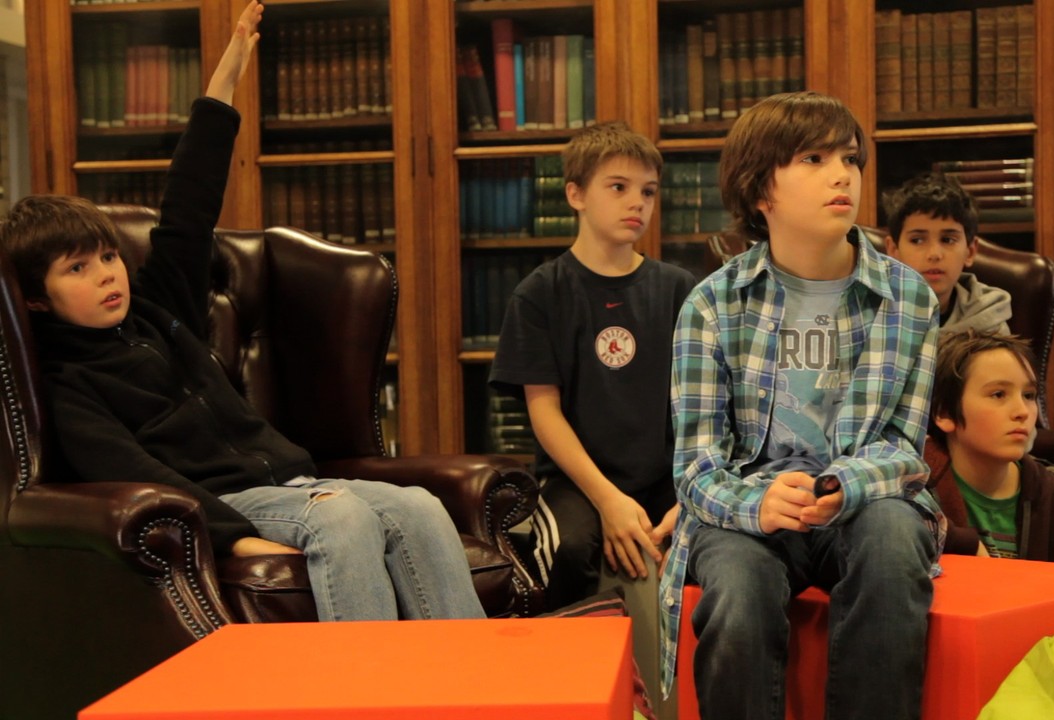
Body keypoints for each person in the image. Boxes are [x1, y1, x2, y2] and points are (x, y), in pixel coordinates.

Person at [0, 0, 484, 623]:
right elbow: (133, 472)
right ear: (36, 297)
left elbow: (189, 209)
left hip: (294, 482)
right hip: (230, 500)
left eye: (108, 257)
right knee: (342, 517)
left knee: (419, 506)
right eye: (77, 269)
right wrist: (233, 537)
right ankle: (358, 680)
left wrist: (224, 81)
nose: (106, 275)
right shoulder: (67, 383)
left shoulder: (156, 309)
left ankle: (461, 675)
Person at [660, 90, 943, 719]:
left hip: (861, 500)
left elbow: (903, 447)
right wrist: (757, 504)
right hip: (751, 506)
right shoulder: (711, 304)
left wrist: (843, 484)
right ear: (761, 190)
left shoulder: (909, 297)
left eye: (850, 158)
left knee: (894, 539)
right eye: (814, 159)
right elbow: (696, 469)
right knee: (738, 590)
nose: (842, 175)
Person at [489, 121, 697, 609]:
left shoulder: (679, 289)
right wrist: (606, 499)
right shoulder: (540, 293)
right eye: (619, 187)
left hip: (667, 474)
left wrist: (688, 498)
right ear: (576, 194)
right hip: (577, 480)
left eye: (648, 191)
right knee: (566, 549)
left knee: (716, 538)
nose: (637, 203)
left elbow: (699, 407)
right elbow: (544, 412)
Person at [925, 329, 1054, 563]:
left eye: (1029, 395)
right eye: (998, 394)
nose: (1022, 412)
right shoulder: (912, 487)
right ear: (945, 413)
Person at [884, 172, 1011, 335]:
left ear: (970, 252)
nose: (934, 254)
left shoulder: (990, 322)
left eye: (948, 240)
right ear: (893, 251)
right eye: (917, 240)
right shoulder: (867, 315)